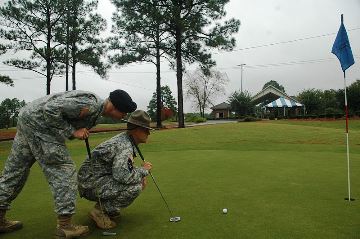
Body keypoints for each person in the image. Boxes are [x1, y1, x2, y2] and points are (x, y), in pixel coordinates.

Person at [0, 89, 137, 238]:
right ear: (113, 107)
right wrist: (72, 131)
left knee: (15, 171)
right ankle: (65, 226)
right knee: (64, 171)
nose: (124, 116)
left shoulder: (96, 112)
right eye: (123, 113)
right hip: (40, 125)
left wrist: (76, 131)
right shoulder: (91, 104)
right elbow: (50, 109)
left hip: (29, 120)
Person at [78, 110, 153, 229]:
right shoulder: (125, 146)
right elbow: (122, 176)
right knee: (135, 186)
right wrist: (144, 171)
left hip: (95, 180)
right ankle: (100, 212)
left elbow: (123, 169)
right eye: (146, 129)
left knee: (136, 179)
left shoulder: (126, 139)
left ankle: (108, 209)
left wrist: (140, 173)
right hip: (90, 184)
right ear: (137, 129)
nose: (149, 133)